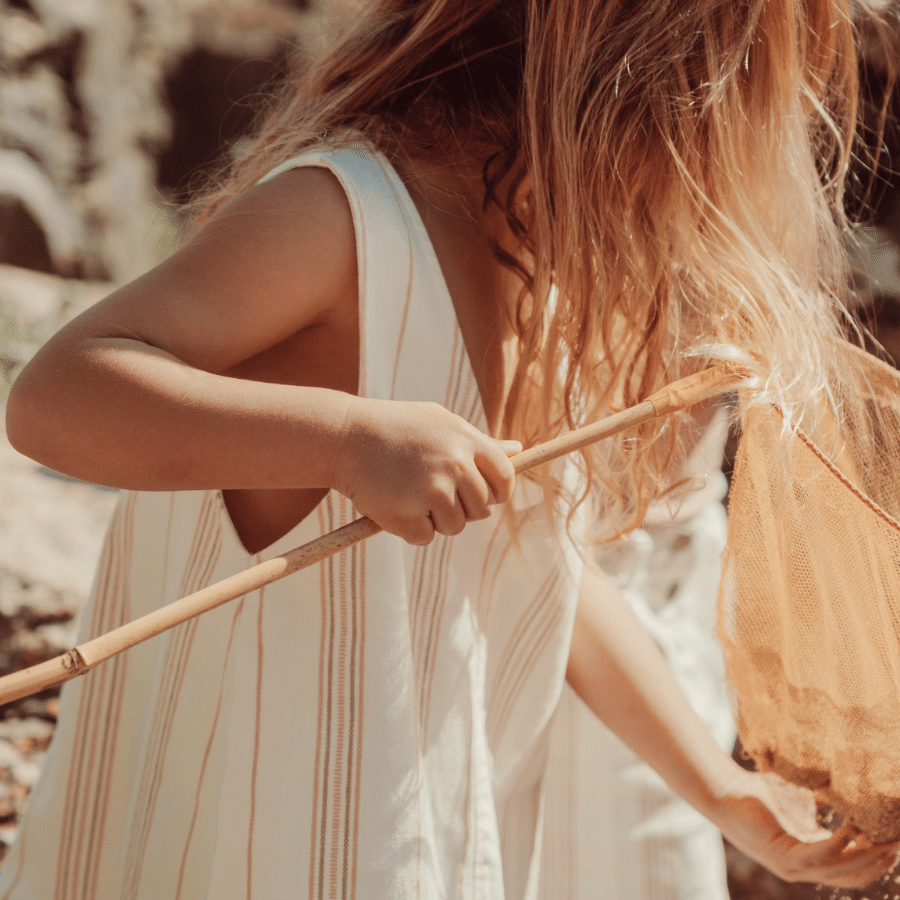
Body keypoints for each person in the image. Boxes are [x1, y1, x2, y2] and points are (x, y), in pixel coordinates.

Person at [1, 1, 898, 898]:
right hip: (263, 825)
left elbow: (542, 562)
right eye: (737, 104)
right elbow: (58, 395)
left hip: (404, 811)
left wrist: (724, 789)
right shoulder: (345, 217)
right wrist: (348, 440)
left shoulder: (528, 286)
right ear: (641, 86)